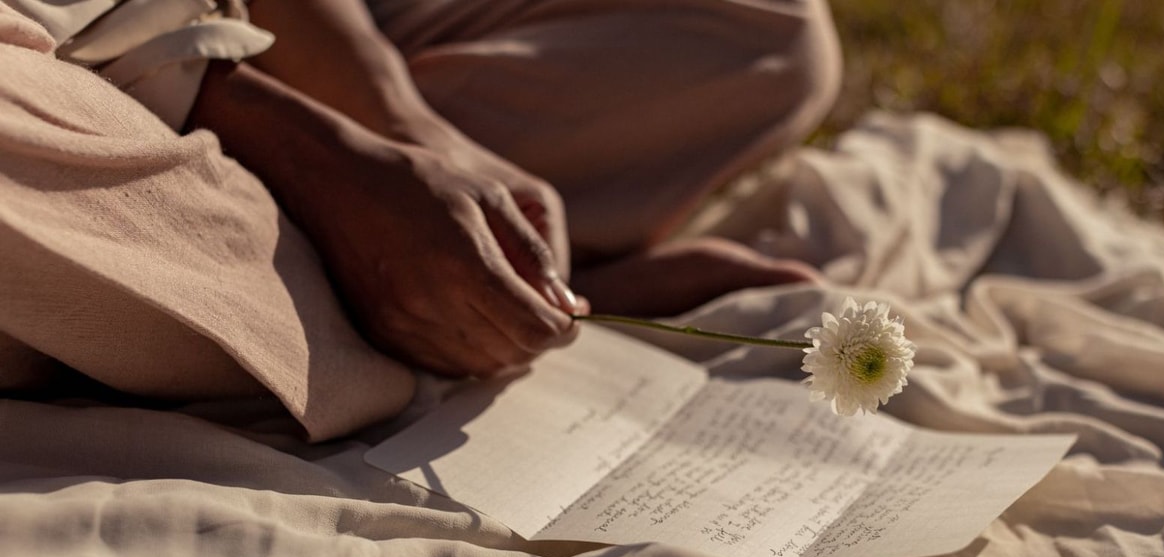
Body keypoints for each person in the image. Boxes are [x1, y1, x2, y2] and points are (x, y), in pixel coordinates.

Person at [189, 0, 841, 377]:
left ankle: (476, 261)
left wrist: (401, 120)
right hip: (126, 83)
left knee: (776, 34)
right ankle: (411, 261)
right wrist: (315, 154)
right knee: (127, 227)